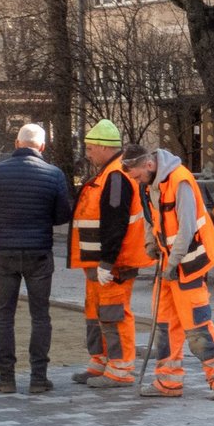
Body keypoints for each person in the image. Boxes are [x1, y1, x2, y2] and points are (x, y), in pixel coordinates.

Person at [120, 144, 214, 400]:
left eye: (136, 175)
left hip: (190, 265)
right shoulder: (148, 184)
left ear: (148, 165)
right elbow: (151, 218)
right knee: (164, 325)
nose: (135, 180)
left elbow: (186, 229)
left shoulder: (180, 180)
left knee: (197, 326)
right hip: (169, 264)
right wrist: (151, 243)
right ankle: (168, 382)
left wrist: (172, 264)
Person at [0, 123, 72, 394]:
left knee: (4, 316)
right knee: (40, 316)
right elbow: (63, 215)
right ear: (42, 147)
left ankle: (6, 379)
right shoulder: (54, 174)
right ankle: (38, 378)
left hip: (3, 252)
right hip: (39, 253)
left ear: (17, 144)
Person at [68, 119, 155, 388]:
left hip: (113, 264)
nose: (88, 154)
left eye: (91, 148)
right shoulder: (109, 174)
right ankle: (101, 360)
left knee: (114, 314)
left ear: (104, 148)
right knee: (95, 312)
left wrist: (107, 262)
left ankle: (120, 368)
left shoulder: (116, 176)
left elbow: (115, 221)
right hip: (100, 263)